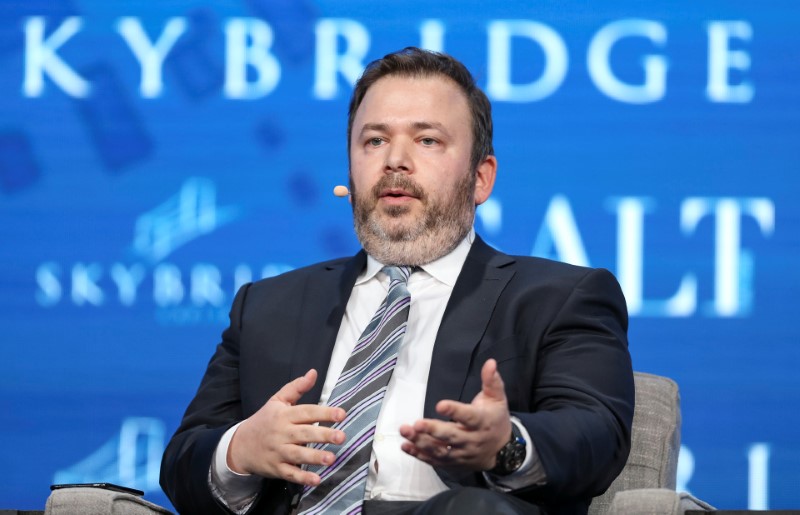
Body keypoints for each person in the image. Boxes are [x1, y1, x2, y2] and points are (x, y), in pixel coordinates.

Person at [160, 47, 634, 515]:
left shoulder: (556, 298)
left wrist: (504, 444)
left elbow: (595, 434)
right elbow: (182, 463)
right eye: (374, 141)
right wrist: (240, 450)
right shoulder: (267, 305)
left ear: (481, 178)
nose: (395, 161)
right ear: (350, 169)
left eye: (427, 140)